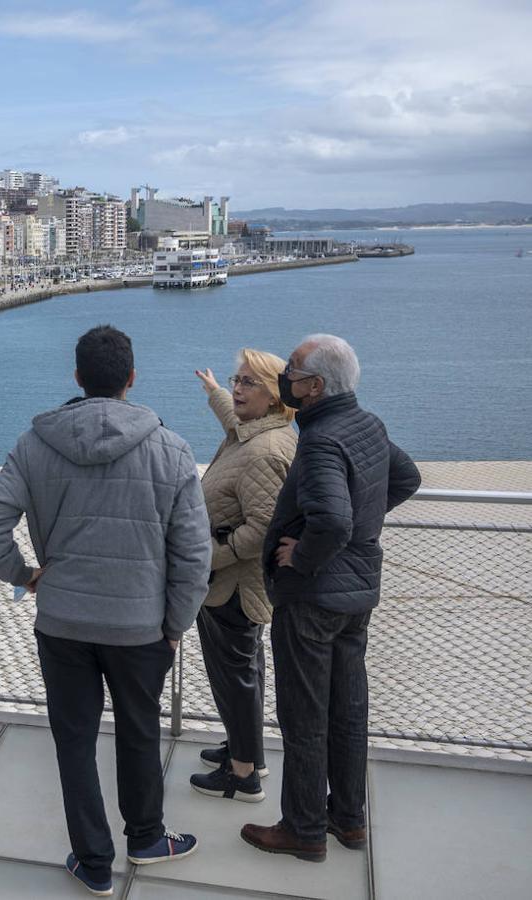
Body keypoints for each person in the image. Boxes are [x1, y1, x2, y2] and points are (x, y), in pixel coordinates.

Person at [0, 325, 210, 896]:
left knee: (73, 738)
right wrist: (175, 624)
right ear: (131, 379)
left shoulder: (36, 443)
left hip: (63, 623)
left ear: (77, 377)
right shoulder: (171, 449)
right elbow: (195, 555)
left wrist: (23, 574)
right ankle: (146, 838)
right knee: (139, 731)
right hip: (140, 627)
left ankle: (93, 861)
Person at [242, 335, 420, 862]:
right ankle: (348, 819)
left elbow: (333, 520)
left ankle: (302, 828)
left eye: (292, 373)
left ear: (315, 386)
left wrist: (303, 557)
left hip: (313, 599)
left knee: (304, 716)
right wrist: (361, 533)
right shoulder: (366, 424)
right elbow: (405, 478)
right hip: (357, 594)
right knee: (348, 709)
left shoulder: (319, 440)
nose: (285, 381)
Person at [189, 351, 297, 803]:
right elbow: (233, 421)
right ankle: (247, 751)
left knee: (235, 676)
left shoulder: (264, 451)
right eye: (237, 379)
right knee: (244, 670)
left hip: (233, 585)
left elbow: (262, 528)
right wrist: (215, 391)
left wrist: (211, 556)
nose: (238, 389)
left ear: (274, 395)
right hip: (236, 586)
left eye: (249, 383)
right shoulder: (256, 433)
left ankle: (243, 775)